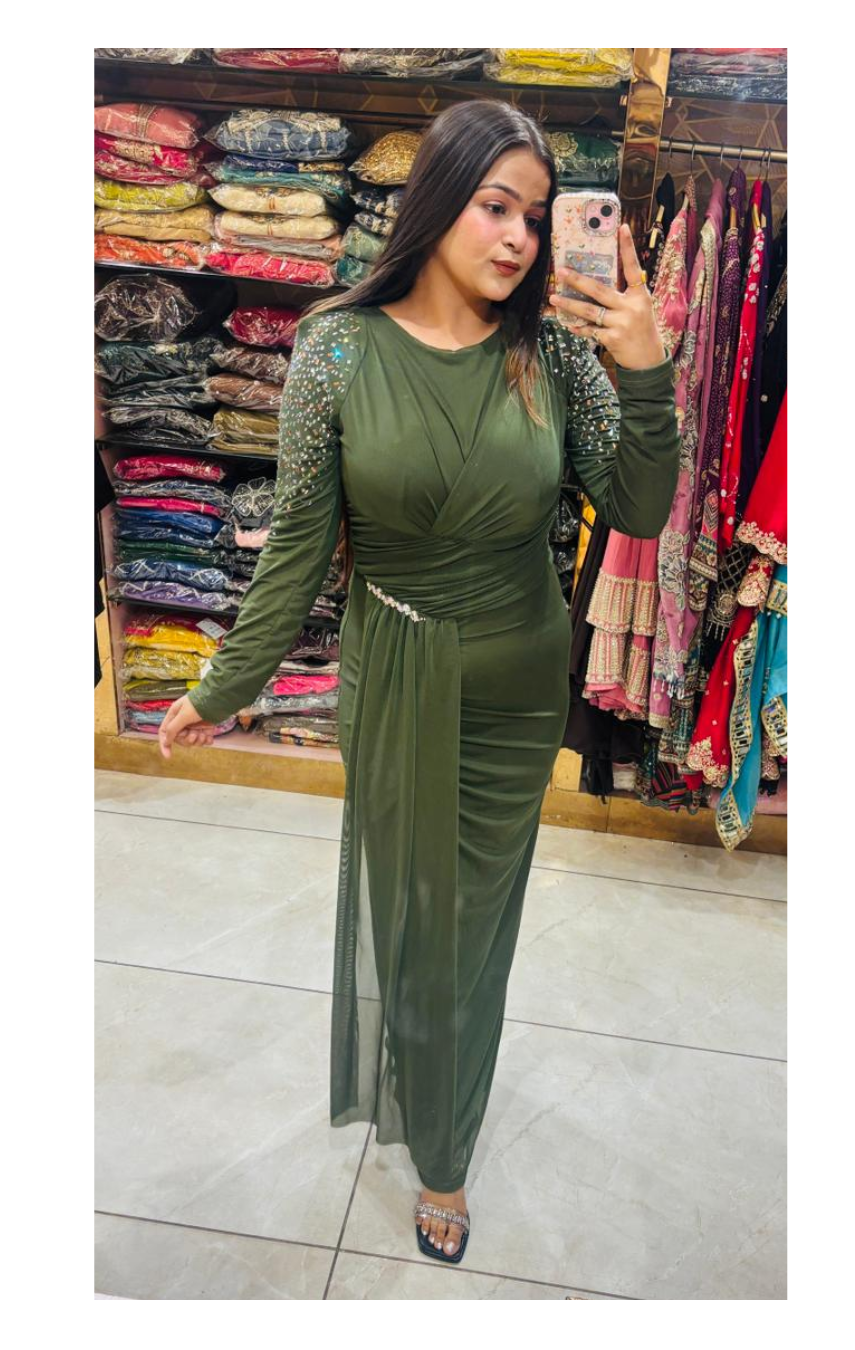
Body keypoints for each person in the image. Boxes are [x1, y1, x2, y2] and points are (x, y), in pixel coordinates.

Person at [157, 100, 680, 1265]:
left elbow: (639, 508)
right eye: (497, 206)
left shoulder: (554, 353)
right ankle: (431, 1076)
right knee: (416, 920)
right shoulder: (338, 348)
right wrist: (225, 683)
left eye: (537, 217)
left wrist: (644, 371)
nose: (520, 238)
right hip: (393, 668)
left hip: (517, 684)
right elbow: (299, 542)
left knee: (474, 928)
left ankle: (443, 1146)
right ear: (437, 200)